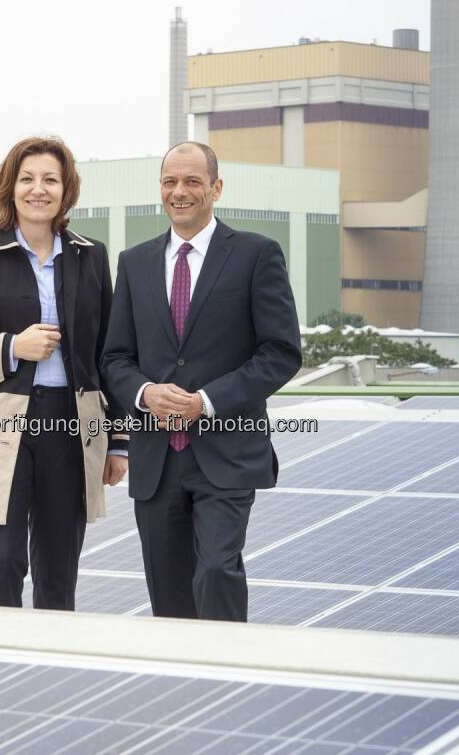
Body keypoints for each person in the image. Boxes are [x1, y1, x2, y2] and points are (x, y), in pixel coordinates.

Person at [101, 141, 301, 622]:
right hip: (156, 463)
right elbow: (114, 358)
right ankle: (184, 692)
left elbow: (281, 353)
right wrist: (145, 394)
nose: (180, 191)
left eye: (192, 181)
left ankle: (231, 681)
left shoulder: (256, 254)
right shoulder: (134, 262)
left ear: (216, 188)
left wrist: (207, 401)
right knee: (168, 598)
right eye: (170, 181)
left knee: (215, 571)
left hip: (226, 455)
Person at [0, 136, 128, 610]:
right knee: (0, 558)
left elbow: (111, 353)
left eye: (51, 180)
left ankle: (54, 674)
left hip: (71, 423)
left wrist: (119, 442)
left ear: (67, 190)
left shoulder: (91, 256)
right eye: (28, 179)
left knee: (59, 566)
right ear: (9, 187)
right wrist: (13, 346)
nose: (39, 189)